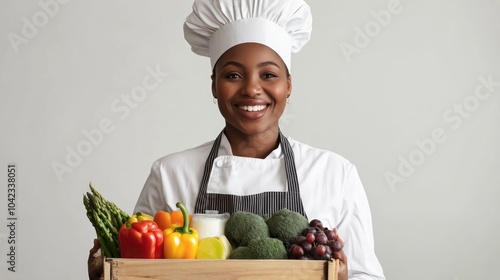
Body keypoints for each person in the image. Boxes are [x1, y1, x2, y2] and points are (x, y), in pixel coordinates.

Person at [88, 0, 385, 279]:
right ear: (214, 86)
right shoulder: (170, 174)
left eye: (268, 75)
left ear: (289, 85)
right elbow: (139, 271)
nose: (252, 90)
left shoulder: (335, 173)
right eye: (233, 75)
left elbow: (366, 274)